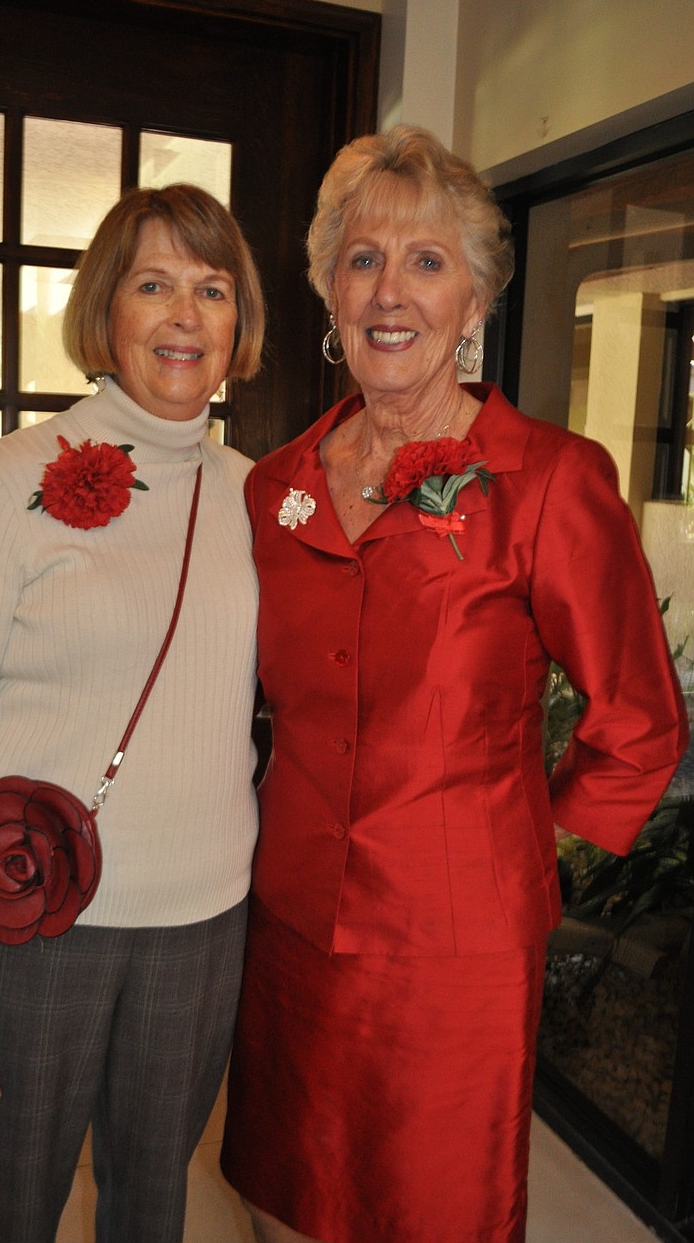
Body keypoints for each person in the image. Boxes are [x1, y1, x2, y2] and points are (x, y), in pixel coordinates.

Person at [219, 126, 689, 1243]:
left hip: (453, 953)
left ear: (475, 298)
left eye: (427, 261)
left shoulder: (548, 481)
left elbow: (637, 722)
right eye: (363, 257)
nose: (391, 292)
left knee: (430, 1211)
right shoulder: (276, 485)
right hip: (288, 926)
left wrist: (523, 848)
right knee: (282, 1194)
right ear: (328, 288)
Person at [0, 183, 265, 1243]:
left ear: (240, 327)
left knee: (153, 1206)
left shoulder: (260, 494)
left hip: (202, 927)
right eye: (155, 284)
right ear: (107, 312)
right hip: (40, 930)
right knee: (9, 1212)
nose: (186, 314)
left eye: (212, 288)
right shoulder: (5, 482)